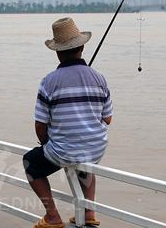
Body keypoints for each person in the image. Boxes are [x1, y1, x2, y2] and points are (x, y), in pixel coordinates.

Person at [23, 17, 113, 228]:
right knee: (85, 163)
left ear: (57, 51)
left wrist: (46, 143)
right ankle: (89, 213)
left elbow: (40, 125)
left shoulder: (49, 81)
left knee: (30, 163)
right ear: (82, 47)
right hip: (96, 148)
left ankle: (52, 216)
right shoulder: (100, 78)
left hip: (65, 150)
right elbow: (107, 118)